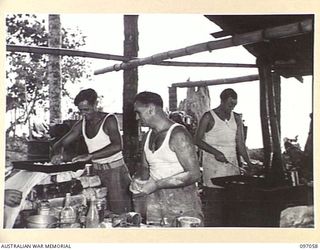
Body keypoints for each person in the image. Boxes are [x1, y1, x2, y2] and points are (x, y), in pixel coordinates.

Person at [51, 88, 132, 214]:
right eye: (81, 110)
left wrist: (90, 156)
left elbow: (117, 146)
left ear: (95, 105)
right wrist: (58, 153)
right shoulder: (81, 124)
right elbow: (60, 143)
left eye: (86, 110)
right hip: (96, 172)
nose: (83, 114)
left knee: (119, 213)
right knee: (96, 211)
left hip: (115, 172)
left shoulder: (109, 120)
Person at [130, 91, 203, 226]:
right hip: (154, 200)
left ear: (151, 109)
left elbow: (194, 174)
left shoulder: (178, 135)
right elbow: (146, 168)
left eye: (138, 112)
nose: (136, 117)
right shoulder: (147, 136)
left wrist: (157, 184)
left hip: (181, 199)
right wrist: (138, 181)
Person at [195, 88, 254, 227]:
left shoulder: (237, 118)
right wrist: (216, 152)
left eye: (234, 104)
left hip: (231, 165)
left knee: (231, 205)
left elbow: (240, 144)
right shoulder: (208, 116)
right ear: (222, 101)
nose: (232, 107)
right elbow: (196, 139)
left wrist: (249, 163)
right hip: (214, 166)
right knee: (215, 204)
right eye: (229, 104)